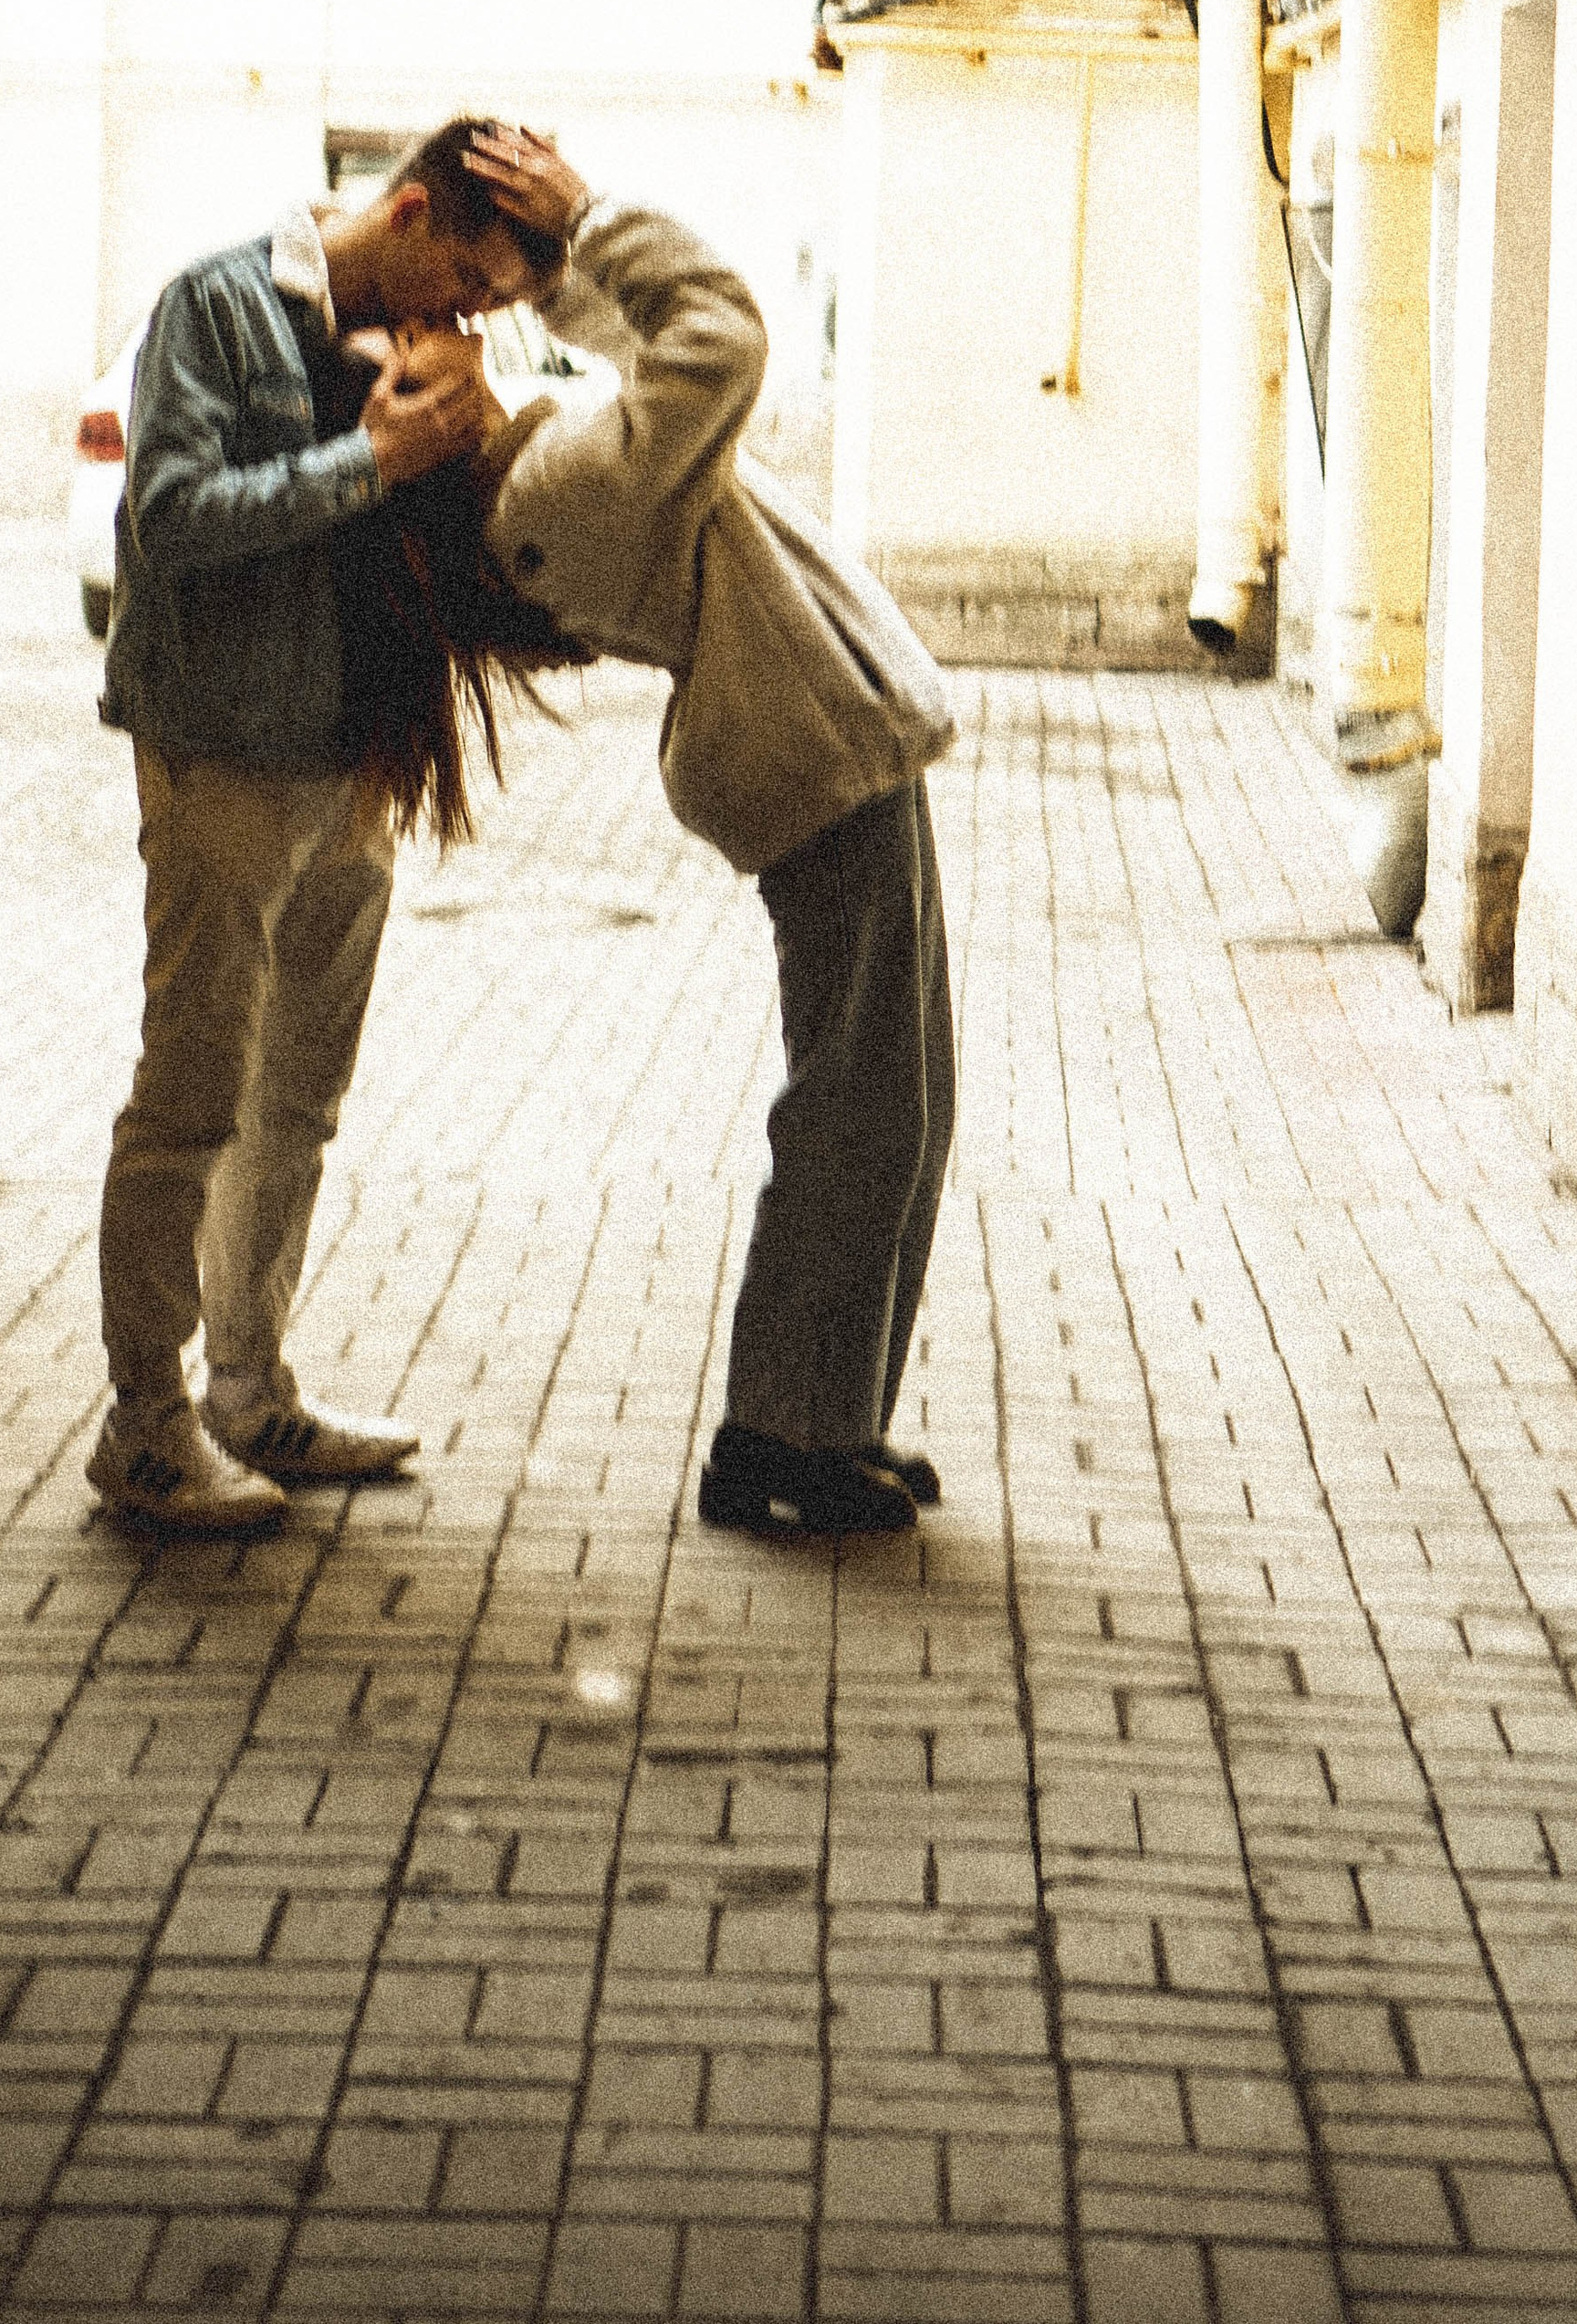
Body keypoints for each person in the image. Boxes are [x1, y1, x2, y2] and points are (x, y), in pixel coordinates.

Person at [389, 124, 959, 1539]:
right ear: (419, 433)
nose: (439, 331)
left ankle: (832, 1418)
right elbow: (714, 343)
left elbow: (648, 368)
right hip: (811, 764)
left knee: (902, 1096)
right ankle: (778, 1434)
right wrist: (587, 218)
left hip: (828, 754)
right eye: (403, 360)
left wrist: (552, 274)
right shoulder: (544, 500)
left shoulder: (536, 465)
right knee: (855, 1105)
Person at [87, 121, 556, 1536]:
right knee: (191, 1095)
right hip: (222, 756)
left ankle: (247, 1385)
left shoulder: (401, 347)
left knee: (298, 1096)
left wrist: (461, 454)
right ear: (408, 210)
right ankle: (143, 1423)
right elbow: (170, 520)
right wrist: (371, 457)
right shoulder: (215, 305)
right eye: (467, 280)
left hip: (351, 767)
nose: (466, 316)